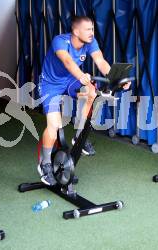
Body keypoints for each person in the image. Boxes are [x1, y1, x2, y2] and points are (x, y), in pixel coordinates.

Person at [37, 15, 130, 186]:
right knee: (54, 125)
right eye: (88, 29)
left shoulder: (90, 43)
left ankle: (79, 137)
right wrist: (81, 76)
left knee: (91, 93)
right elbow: (67, 62)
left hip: (70, 81)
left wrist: (117, 78)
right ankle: (45, 163)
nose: (92, 33)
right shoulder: (60, 41)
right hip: (50, 84)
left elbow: (100, 61)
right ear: (75, 31)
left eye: (93, 29)